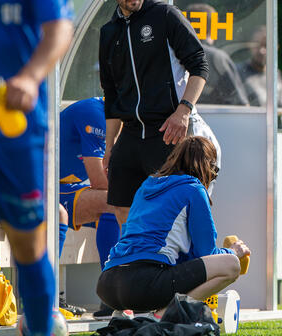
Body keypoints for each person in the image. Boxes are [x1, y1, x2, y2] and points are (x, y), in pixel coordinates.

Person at [0, 0, 73, 334]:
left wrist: (30, 77)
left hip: (11, 123)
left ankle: (40, 326)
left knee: (27, 241)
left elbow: (59, 27)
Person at [98, 0, 209, 226]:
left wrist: (183, 111)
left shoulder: (165, 14)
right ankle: (131, 266)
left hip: (168, 130)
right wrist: (109, 146)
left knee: (174, 212)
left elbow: (200, 65)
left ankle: (180, 266)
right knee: (123, 210)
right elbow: (111, 94)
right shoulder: (108, 32)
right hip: (132, 133)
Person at [96, 136, 250, 317]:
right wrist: (233, 252)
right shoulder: (194, 189)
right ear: (208, 166)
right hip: (143, 282)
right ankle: (165, 315)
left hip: (108, 283)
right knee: (230, 265)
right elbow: (206, 254)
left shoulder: (146, 186)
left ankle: (147, 316)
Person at [58, 97, 120, 317]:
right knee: (114, 204)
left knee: (127, 209)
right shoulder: (96, 112)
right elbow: (99, 181)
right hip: (41, 187)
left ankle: (123, 292)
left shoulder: (124, 121)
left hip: (67, 187)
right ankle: (112, 294)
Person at [185, 3, 250, 106]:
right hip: (216, 121)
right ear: (213, 27)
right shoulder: (218, 58)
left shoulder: (174, 55)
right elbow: (240, 103)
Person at [237, 26, 282, 114]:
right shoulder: (238, 73)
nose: (262, 50)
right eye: (258, 45)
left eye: (266, 45)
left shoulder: (276, 75)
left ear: (276, 48)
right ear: (249, 45)